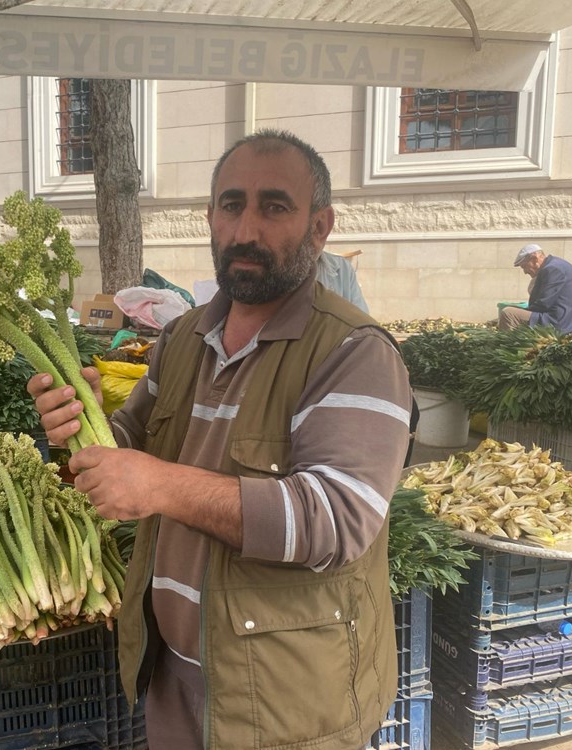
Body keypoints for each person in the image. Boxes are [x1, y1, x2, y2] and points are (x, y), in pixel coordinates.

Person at [28, 129, 413, 750]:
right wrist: (77, 426)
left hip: (284, 709)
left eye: (275, 207)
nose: (246, 229)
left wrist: (157, 485)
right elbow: (128, 446)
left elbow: (336, 521)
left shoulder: (354, 353)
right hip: (173, 681)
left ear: (320, 228)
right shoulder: (180, 339)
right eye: (231, 205)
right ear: (210, 217)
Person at [498, 244, 572, 334]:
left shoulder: (552, 269)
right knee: (514, 312)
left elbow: (544, 304)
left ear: (535, 259)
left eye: (524, 266)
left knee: (508, 313)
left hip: (558, 323)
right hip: (561, 320)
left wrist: (521, 313)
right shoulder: (554, 265)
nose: (525, 272)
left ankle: (507, 346)